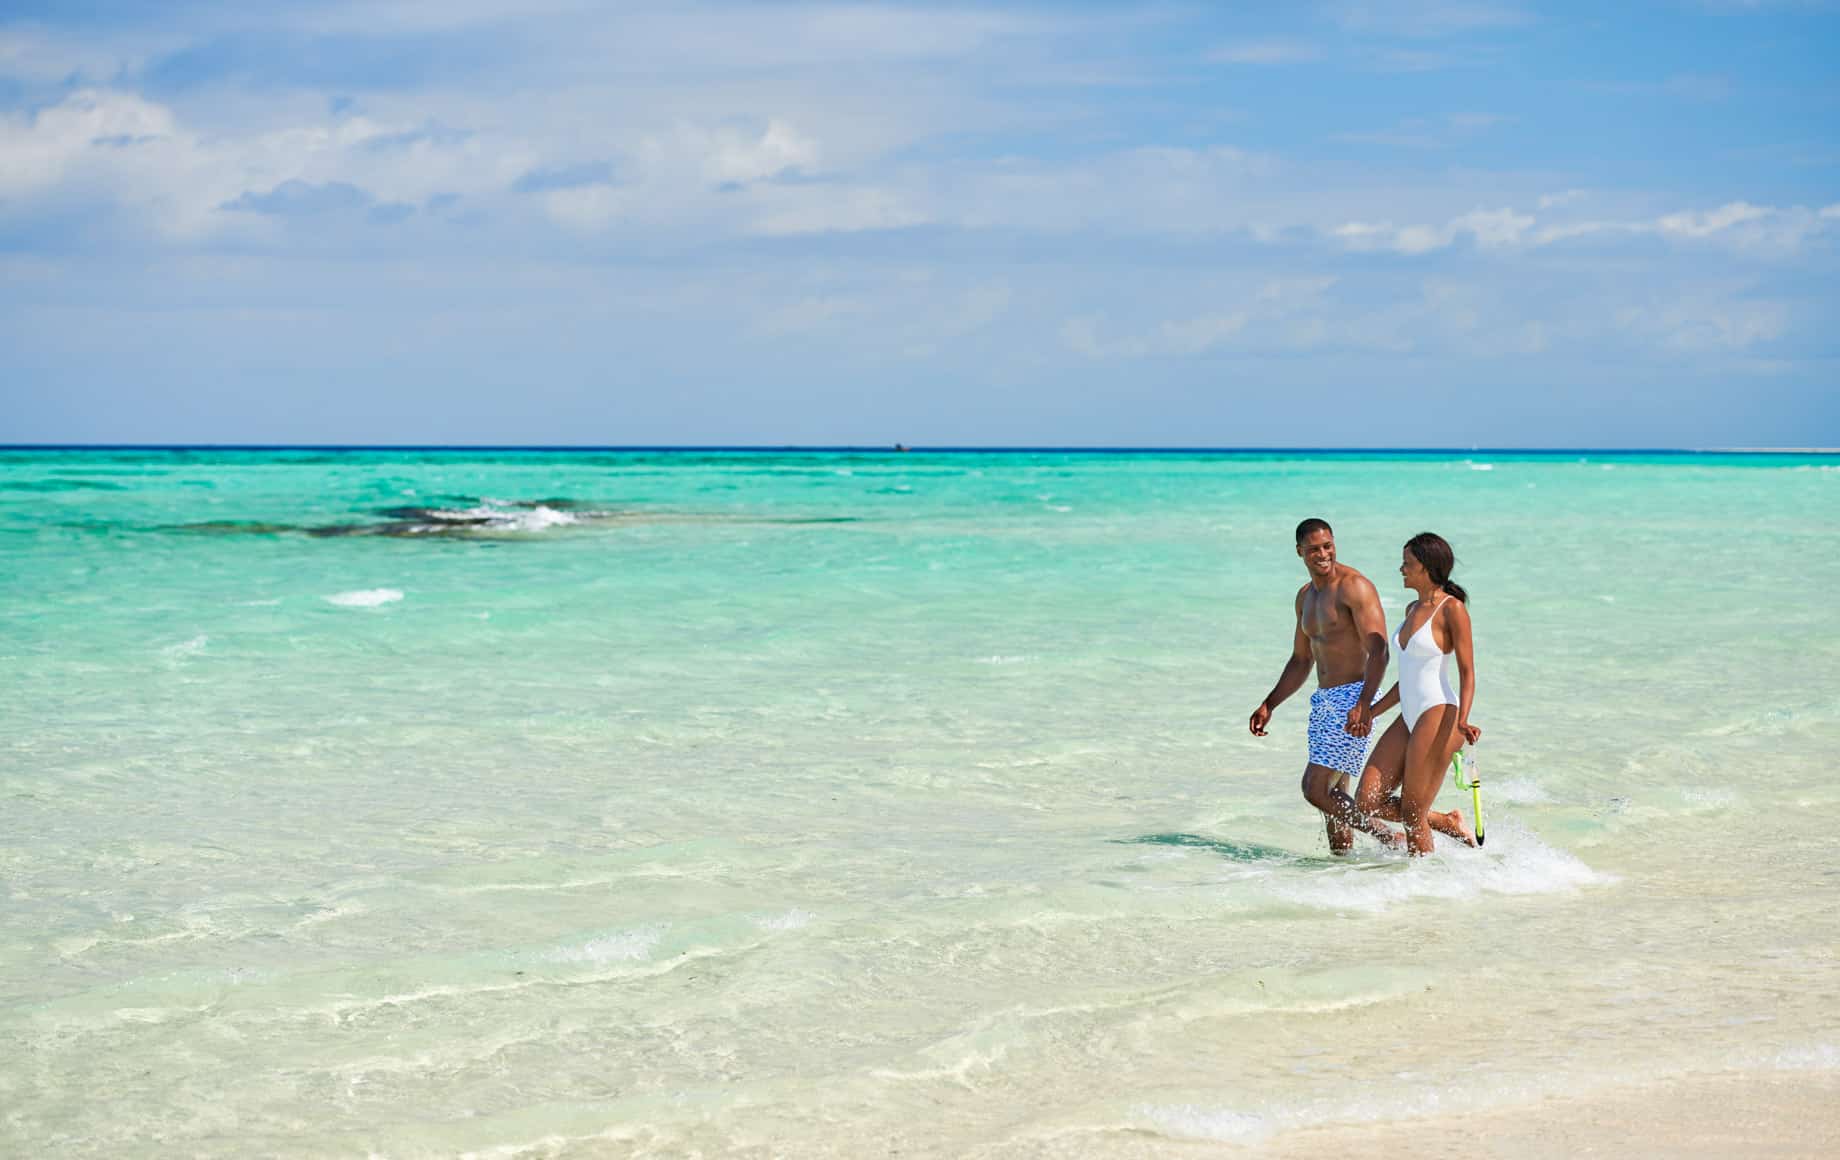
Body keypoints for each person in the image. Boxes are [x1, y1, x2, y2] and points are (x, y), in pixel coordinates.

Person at [1249, 519, 1403, 853]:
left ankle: (1393, 838)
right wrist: (1269, 704)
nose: (1323, 554)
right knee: (1334, 804)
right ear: (1299, 552)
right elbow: (1302, 660)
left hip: (1353, 698)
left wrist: (1364, 703)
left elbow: (1380, 651)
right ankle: (1342, 869)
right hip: (1325, 702)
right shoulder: (1305, 597)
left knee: (1315, 789)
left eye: (1328, 545)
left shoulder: (1354, 587)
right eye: (1314, 548)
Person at [1355, 532, 1480, 856]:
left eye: (1407, 563)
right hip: (1409, 712)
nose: (1401, 569)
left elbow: (1467, 672)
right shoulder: (1412, 607)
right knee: (1367, 801)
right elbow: (1407, 679)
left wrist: (1464, 719)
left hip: (1439, 712)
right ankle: (1446, 821)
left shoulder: (1452, 610)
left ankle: (1423, 886)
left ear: (1426, 568)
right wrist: (1371, 711)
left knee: (1412, 814)